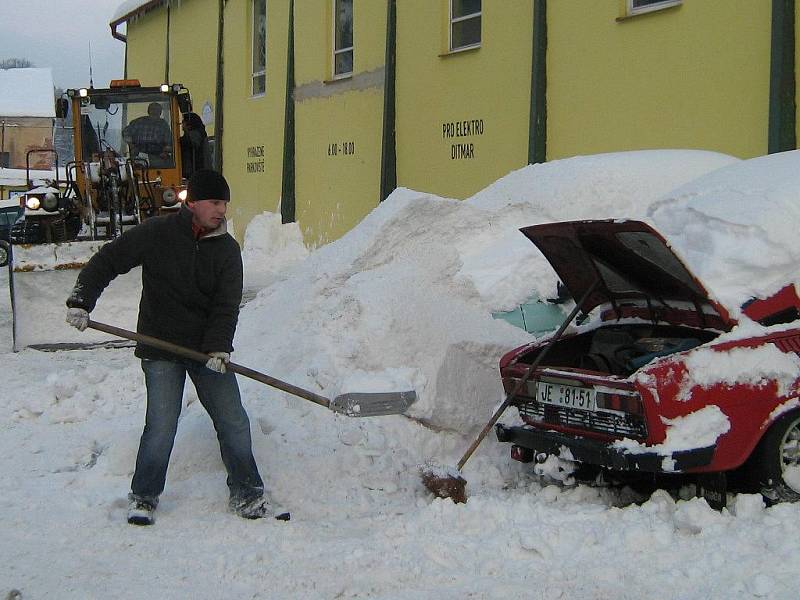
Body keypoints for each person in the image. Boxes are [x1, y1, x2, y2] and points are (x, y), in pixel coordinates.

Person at [65, 170, 270, 526]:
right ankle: (143, 497)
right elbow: (108, 260)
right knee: (160, 426)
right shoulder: (158, 234)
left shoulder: (226, 250)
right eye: (215, 202)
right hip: (159, 346)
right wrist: (82, 300)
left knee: (233, 421)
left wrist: (219, 348)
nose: (222, 210)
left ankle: (247, 493)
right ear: (193, 203)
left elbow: (226, 305)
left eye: (225, 203)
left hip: (206, 352)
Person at [122, 101, 173, 167]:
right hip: (139, 155)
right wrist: (131, 145)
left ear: (160, 112)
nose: (155, 112)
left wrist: (165, 152)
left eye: (157, 110)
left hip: (157, 157)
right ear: (148, 111)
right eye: (152, 109)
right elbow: (126, 132)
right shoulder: (139, 122)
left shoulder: (163, 125)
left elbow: (168, 141)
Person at [180, 112, 212, 179]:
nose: (181, 124)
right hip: (198, 170)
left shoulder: (195, 134)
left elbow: (190, 142)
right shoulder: (200, 132)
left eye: (183, 122)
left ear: (189, 124)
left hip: (197, 169)